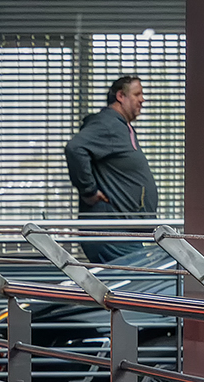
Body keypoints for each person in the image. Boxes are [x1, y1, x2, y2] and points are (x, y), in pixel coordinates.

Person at [64, 74, 157, 265]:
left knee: (142, 280)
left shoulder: (120, 126)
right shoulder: (108, 123)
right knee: (148, 280)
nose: (142, 99)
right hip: (111, 233)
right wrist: (89, 191)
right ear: (121, 96)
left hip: (122, 232)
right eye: (137, 94)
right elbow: (75, 148)